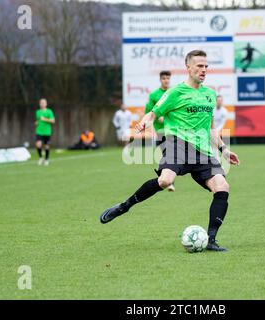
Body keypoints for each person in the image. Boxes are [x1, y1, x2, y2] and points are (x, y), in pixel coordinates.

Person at [100, 50, 240, 252]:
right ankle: (124, 206)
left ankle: (211, 239)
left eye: (206, 66)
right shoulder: (175, 93)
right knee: (165, 180)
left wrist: (224, 149)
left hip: (203, 151)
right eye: (199, 66)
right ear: (188, 67)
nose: (203, 70)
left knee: (222, 186)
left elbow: (210, 129)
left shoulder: (209, 95)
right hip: (178, 145)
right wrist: (144, 123)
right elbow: (153, 113)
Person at [145, 70, 175, 192]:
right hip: (160, 131)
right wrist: (158, 116)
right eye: (164, 78)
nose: (166, 80)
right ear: (160, 80)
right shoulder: (154, 95)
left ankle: (168, 181)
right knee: (166, 155)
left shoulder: (173, 92)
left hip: (173, 130)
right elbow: (149, 112)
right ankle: (166, 180)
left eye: (168, 78)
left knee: (172, 155)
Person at [35, 98, 55, 166]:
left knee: (47, 146)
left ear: (46, 104)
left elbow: (53, 121)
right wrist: (37, 123)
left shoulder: (49, 111)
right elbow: (38, 120)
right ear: (39, 104)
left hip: (47, 132)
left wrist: (45, 119)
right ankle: (41, 158)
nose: (42, 104)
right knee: (38, 144)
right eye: (41, 103)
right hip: (39, 131)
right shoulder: (38, 112)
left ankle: (46, 159)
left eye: (44, 103)